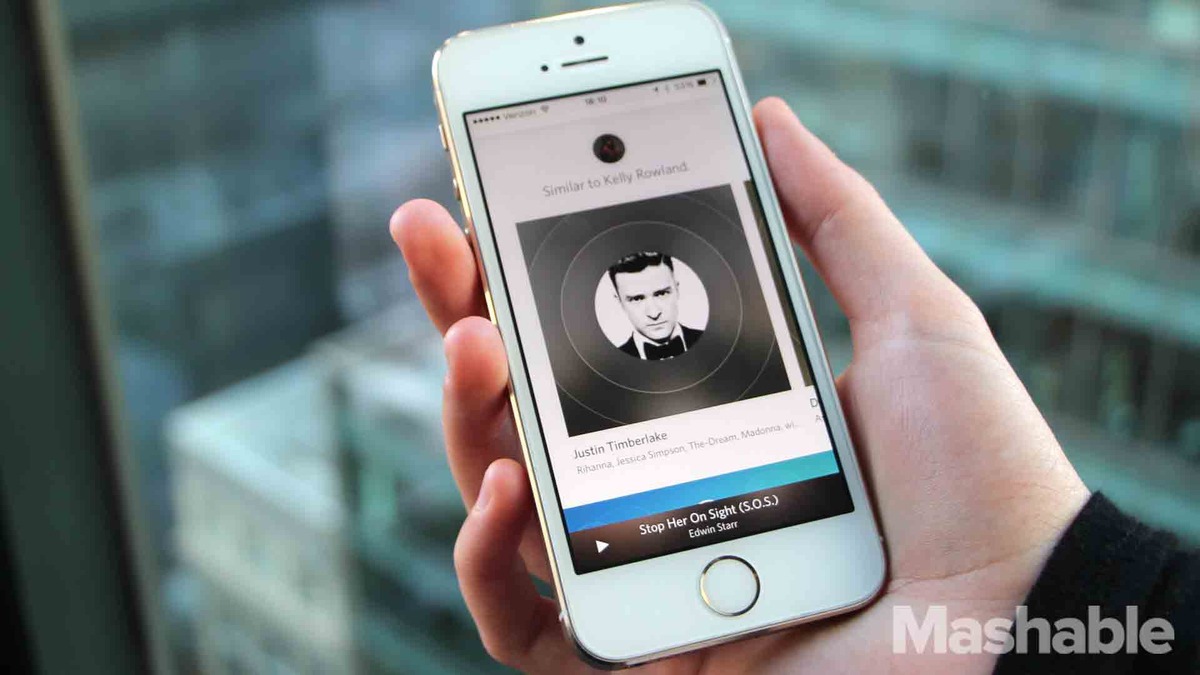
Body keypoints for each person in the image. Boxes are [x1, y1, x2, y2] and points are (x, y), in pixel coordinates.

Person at [390, 98, 1198, 673]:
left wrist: (1033, 586)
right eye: (637, 298)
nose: (655, 305)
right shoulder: (594, 380)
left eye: (663, 289)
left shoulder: (732, 348)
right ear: (621, 305)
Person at [606, 251, 702, 360]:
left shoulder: (714, 344)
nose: (654, 313)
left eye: (662, 293)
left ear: (677, 289)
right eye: (637, 299)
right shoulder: (609, 363)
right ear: (619, 302)